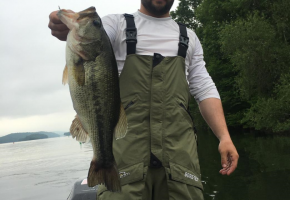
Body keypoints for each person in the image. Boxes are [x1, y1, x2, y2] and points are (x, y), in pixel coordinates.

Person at [48, 0, 239, 199]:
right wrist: (58, 20)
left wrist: (224, 137)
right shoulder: (116, 25)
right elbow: (84, 35)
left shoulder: (189, 37)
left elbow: (204, 87)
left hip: (180, 165)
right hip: (125, 164)